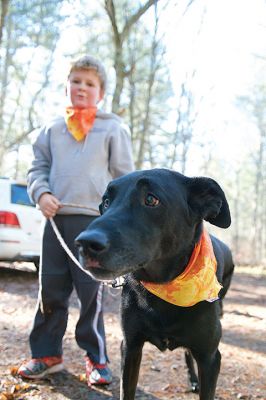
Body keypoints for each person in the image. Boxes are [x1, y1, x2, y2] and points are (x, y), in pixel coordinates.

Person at [17, 55, 134, 386]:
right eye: (76, 81)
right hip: (55, 221)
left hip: (96, 225)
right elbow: (37, 168)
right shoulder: (51, 129)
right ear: (67, 86)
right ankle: (46, 355)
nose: (82, 88)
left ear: (101, 92)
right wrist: (41, 193)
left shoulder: (113, 128)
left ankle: (96, 358)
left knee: (91, 294)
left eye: (90, 83)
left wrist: (118, 220)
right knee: (50, 290)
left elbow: (125, 178)